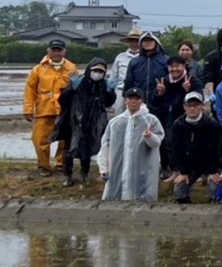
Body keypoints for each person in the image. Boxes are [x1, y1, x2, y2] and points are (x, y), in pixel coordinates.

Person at [53, 57, 112, 186]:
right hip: (73, 122)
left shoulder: (103, 86)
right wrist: (71, 89)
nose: (98, 73)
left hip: (92, 123)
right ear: (89, 70)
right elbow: (62, 100)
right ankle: (68, 176)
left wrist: (110, 92)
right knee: (69, 149)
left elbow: (108, 103)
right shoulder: (78, 83)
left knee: (87, 149)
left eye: (101, 71)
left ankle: (85, 174)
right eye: (95, 70)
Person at [99, 88, 165, 201]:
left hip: (143, 170)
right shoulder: (115, 122)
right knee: (115, 200)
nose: (133, 101)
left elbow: (157, 142)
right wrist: (104, 167)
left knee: (142, 199)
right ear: (125, 101)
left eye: (137, 98)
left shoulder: (151, 120)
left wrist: (149, 136)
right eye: (130, 98)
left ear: (142, 101)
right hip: (118, 169)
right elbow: (106, 145)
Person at [25, 40, 78, 175]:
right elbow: (30, 90)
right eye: (53, 50)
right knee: (40, 139)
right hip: (44, 109)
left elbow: (77, 90)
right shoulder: (38, 69)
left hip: (65, 110)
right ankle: (44, 166)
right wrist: (28, 110)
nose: (56, 53)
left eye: (59, 50)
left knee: (64, 139)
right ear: (48, 51)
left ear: (64, 52)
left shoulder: (72, 69)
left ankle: (61, 163)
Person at [166, 91, 222, 204]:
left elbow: (217, 149)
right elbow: (176, 150)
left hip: (210, 165)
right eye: (189, 105)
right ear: (184, 107)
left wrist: (213, 171)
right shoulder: (178, 125)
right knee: (179, 191)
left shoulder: (212, 124)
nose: (192, 108)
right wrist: (182, 171)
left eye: (196, 105)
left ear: (201, 106)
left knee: (215, 190)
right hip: (189, 167)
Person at [122, 31, 168, 107]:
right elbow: (128, 82)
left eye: (150, 40)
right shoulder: (134, 62)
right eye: (144, 41)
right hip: (138, 101)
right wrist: (125, 97)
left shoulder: (165, 61)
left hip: (160, 102)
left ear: (156, 43)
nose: (147, 43)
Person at [108, 29, 142, 112]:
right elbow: (113, 77)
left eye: (136, 41)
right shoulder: (120, 57)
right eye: (131, 41)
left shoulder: (144, 58)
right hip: (120, 91)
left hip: (139, 91)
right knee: (120, 117)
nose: (134, 43)